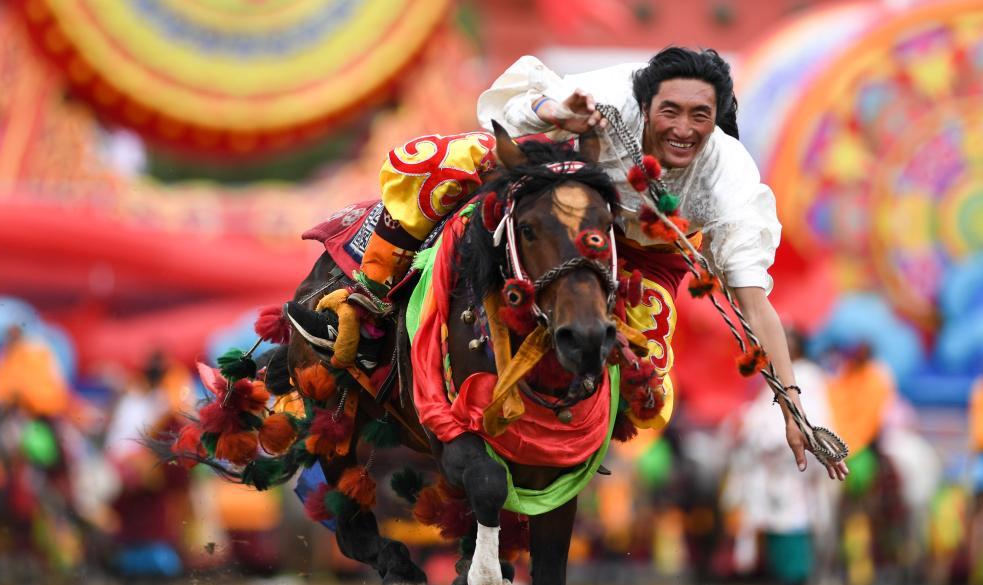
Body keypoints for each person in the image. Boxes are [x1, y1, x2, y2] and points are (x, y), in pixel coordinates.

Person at [290, 47, 847, 479]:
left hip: (644, 250)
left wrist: (792, 406)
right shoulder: (610, 97)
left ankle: (573, 437)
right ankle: (369, 293)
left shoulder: (731, 182)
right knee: (448, 158)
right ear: (644, 105)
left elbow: (754, 304)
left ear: (717, 118)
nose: (683, 129)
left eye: (700, 116)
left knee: (649, 379)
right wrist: (560, 114)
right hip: (566, 204)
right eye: (670, 112)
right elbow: (524, 106)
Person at [722, 328, 837, 585]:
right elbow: (759, 420)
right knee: (777, 535)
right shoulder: (777, 377)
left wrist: (771, 444)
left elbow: (814, 424)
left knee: (792, 534)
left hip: (792, 471)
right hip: (769, 473)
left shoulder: (806, 377)